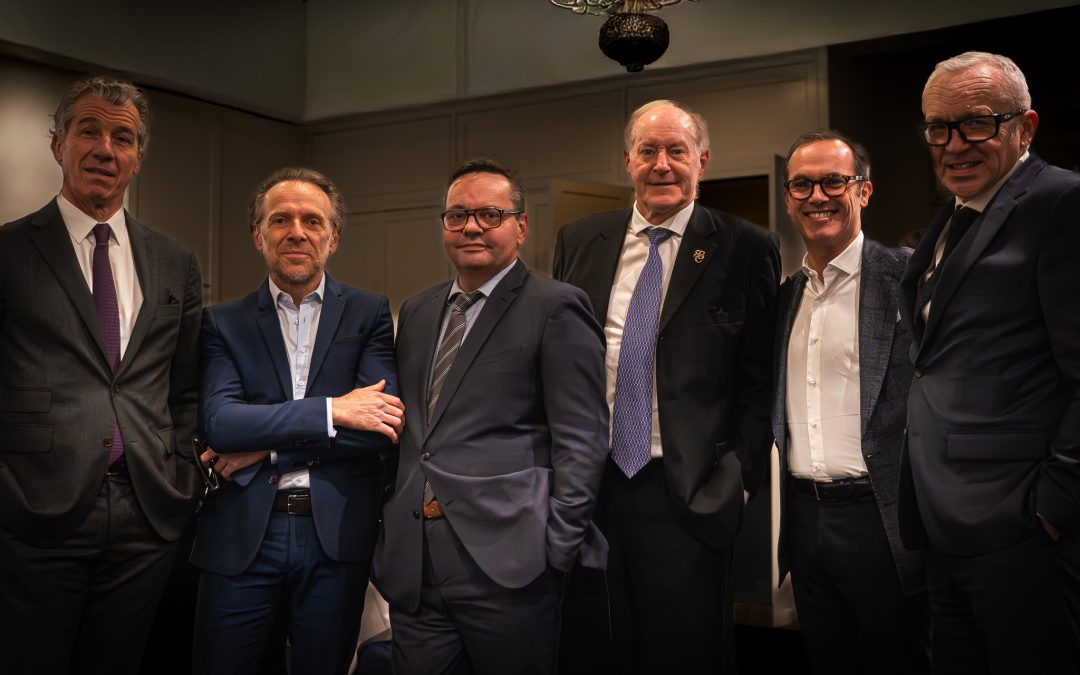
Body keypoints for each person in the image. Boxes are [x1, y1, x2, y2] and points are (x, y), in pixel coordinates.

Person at [553, 99, 779, 673]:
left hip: (688, 491)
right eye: (648, 151)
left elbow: (760, 381)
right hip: (592, 487)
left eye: (676, 151)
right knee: (597, 646)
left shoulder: (745, 246)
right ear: (627, 162)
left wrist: (737, 480)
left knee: (685, 652)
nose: (662, 164)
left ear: (701, 160)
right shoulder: (580, 240)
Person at [373, 157, 608, 675]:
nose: (472, 226)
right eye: (457, 216)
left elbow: (583, 439)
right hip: (416, 563)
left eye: (489, 214)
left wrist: (557, 548)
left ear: (520, 226)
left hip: (513, 562)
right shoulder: (416, 310)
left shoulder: (557, 306)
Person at [0, 75, 203, 675]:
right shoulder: (8, 252)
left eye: (123, 137)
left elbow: (185, 384)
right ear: (58, 143)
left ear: (138, 158)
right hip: (33, 511)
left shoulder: (175, 260)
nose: (104, 149)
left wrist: (182, 474)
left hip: (147, 512)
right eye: (88, 131)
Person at [899, 51, 1080, 673]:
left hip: (1021, 534)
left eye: (976, 124)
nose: (954, 144)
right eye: (937, 127)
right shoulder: (954, 218)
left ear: (1025, 128)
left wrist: (1050, 510)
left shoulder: (1062, 204)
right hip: (945, 530)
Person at [190, 167, 403, 674]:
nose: (297, 231)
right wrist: (333, 410)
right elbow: (221, 424)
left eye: (312, 220)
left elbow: (380, 427)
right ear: (258, 234)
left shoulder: (369, 315)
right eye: (281, 219)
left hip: (335, 536)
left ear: (333, 236)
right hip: (241, 536)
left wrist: (269, 446)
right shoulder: (223, 322)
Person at [774, 130, 929, 674]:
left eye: (834, 181)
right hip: (804, 522)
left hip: (883, 520)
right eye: (802, 184)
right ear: (788, 198)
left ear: (863, 191)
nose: (818, 196)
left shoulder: (910, 279)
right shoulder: (783, 297)